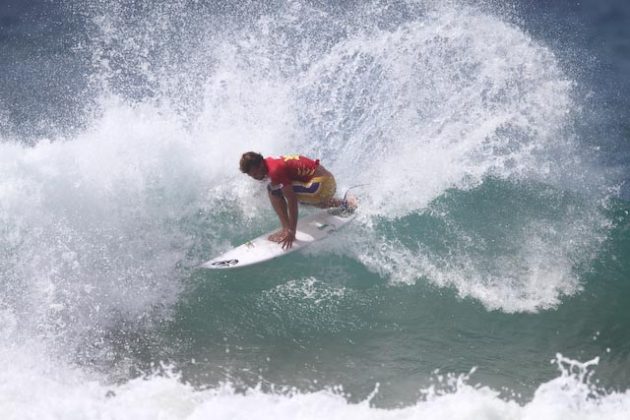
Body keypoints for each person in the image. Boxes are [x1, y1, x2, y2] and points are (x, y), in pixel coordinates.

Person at [239, 151, 351, 250]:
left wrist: (291, 232)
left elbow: (291, 199)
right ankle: (345, 203)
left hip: (321, 185)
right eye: (250, 176)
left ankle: (286, 229)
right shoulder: (269, 162)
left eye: (254, 174)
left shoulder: (275, 171)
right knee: (302, 199)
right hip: (327, 183)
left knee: (273, 189)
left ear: (260, 166)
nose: (254, 177)